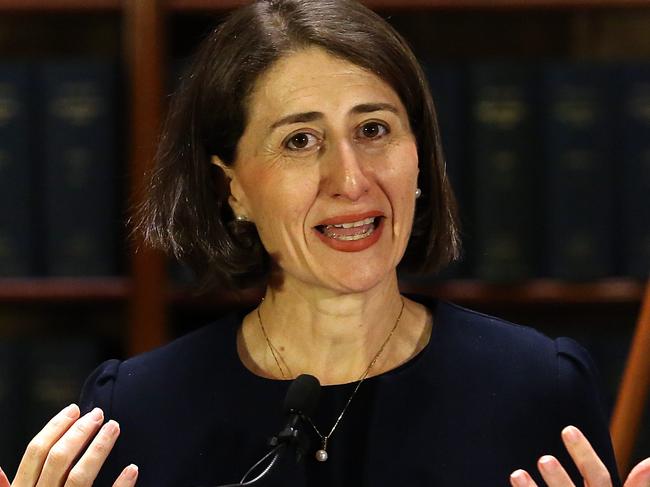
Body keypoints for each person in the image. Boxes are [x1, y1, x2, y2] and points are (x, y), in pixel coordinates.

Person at [2, 0, 649, 486]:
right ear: (232, 189)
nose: (351, 178)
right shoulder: (129, 413)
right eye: (299, 140)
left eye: (374, 128)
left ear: (419, 157)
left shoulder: (539, 389)